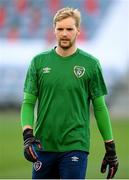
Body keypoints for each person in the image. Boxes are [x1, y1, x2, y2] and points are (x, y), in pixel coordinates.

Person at [21, 7, 119, 179]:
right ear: (54, 30)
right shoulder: (38, 62)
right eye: (60, 29)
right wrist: (27, 135)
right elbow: (28, 103)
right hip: (43, 146)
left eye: (69, 29)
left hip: (76, 146)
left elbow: (100, 108)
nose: (64, 33)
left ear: (78, 31)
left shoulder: (91, 65)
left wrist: (110, 147)